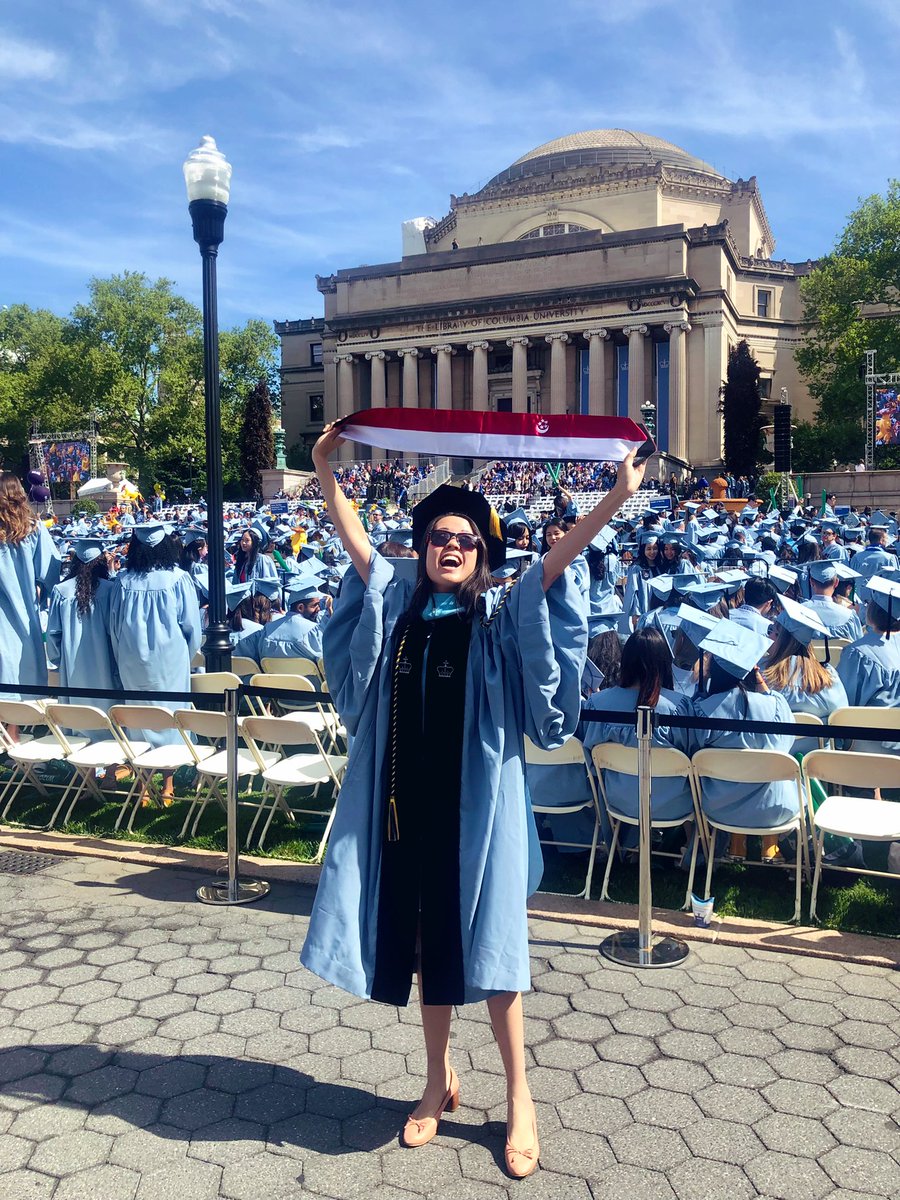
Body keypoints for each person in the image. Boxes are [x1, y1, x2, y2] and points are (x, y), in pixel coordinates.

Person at [299, 423, 645, 1178]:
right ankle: (435, 1083)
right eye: (438, 537)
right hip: (406, 808)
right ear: (422, 546)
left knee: (494, 957)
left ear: (482, 553)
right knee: (427, 951)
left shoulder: (495, 616)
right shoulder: (396, 606)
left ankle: (521, 1095)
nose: (450, 546)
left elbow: (555, 565)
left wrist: (615, 497)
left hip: (480, 811)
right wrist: (326, 469)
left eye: (465, 539)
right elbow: (356, 542)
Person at [107, 522, 201, 802]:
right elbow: (192, 628)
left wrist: (122, 655)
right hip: (170, 659)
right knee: (170, 716)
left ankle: (143, 786)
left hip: (131, 659)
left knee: (138, 718)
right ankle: (168, 786)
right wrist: (185, 654)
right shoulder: (178, 579)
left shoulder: (123, 581)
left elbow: (114, 627)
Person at [690, 621, 796, 862]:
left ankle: (736, 842)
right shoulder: (775, 705)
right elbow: (786, 744)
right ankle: (770, 844)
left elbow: (693, 752)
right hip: (774, 809)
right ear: (753, 669)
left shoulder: (704, 711)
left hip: (720, 807)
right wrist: (761, 683)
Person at [581, 627, 696, 847]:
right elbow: (691, 756)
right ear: (663, 662)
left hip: (618, 800)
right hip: (672, 803)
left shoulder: (598, 704)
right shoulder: (678, 706)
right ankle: (691, 852)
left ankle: (630, 845)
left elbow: (591, 759)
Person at [0, 472, 60, 708]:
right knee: (20, 673)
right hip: (23, 613)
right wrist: (38, 591)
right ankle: (13, 735)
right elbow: (50, 571)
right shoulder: (33, 529)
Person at [762, 595, 848, 753]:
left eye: (772, 631)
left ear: (782, 639)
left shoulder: (761, 676)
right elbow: (842, 721)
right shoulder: (826, 678)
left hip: (776, 764)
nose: (768, 636)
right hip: (820, 763)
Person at [46, 539, 119, 712]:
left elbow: (53, 634)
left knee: (77, 710)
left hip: (72, 667)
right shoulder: (111, 589)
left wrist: (60, 660)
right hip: (106, 664)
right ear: (102, 562)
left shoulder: (61, 590)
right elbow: (117, 632)